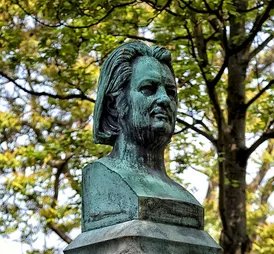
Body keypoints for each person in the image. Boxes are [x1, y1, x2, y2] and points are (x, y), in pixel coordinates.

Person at [83, 41, 202, 232]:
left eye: (171, 92)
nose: (164, 99)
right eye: (148, 89)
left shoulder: (183, 196)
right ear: (115, 105)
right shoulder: (103, 179)